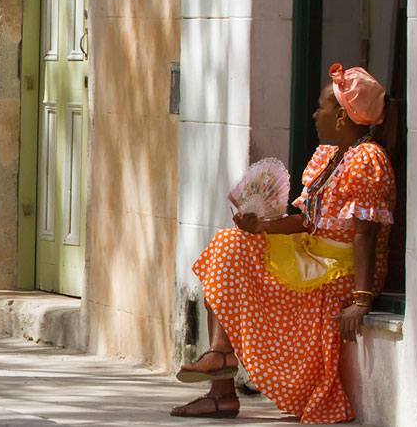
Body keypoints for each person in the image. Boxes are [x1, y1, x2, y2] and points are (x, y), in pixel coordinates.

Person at [170, 64, 397, 423]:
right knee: (231, 244)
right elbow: (305, 221)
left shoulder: (368, 160)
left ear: (341, 115)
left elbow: (365, 236)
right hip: (312, 256)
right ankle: (221, 363)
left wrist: (361, 300)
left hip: (341, 272)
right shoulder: (329, 156)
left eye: (321, 106)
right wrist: (260, 226)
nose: (314, 114)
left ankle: (221, 384)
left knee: (235, 260)